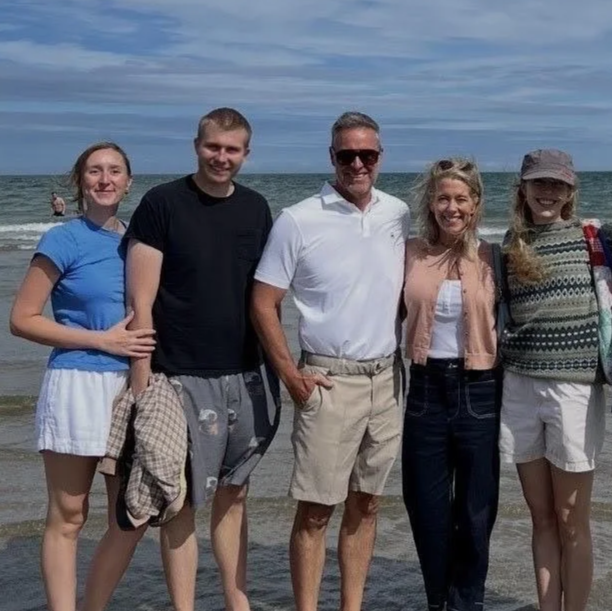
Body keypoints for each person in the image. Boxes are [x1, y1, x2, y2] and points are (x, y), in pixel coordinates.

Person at [250, 110, 410, 611]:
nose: (358, 164)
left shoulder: (398, 212)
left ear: (381, 158)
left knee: (367, 504)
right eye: (347, 155)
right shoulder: (298, 219)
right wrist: (290, 376)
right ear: (332, 157)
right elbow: (262, 301)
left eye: (368, 155)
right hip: (327, 379)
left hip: (387, 378)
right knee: (317, 510)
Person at [124, 107, 281, 611]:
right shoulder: (162, 203)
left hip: (247, 373)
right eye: (214, 146)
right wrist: (142, 380)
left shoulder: (257, 209)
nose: (222, 157)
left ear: (246, 154)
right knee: (181, 502)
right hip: (179, 374)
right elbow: (140, 303)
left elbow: (266, 297)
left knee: (235, 495)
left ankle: (238, 602)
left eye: (232, 150)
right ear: (197, 145)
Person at [10, 142, 154, 611]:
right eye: (95, 171)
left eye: (115, 171)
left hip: (130, 387)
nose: (105, 179)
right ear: (80, 182)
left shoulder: (139, 240)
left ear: (129, 183)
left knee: (129, 516)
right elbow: (23, 318)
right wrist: (101, 341)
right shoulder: (62, 239)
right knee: (69, 515)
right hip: (76, 383)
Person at [500, 149, 612, 611]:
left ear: (570, 191)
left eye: (557, 185)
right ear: (522, 189)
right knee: (540, 518)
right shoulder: (509, 244)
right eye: (538, 183)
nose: (547, 192)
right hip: (518, 387)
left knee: (571, 519)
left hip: (575, 388)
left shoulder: (595, 236)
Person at [400, 157, 500, 611]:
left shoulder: (493, 259)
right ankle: (437, 601)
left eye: (461, 198)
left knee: (476, 512)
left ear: (476, 205)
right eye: (443, 198)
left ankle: (468, 603)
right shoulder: (410, 252)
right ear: (431, 202)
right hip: (424, 390)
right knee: (426, 508)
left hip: (480, 389)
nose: (452, 207)